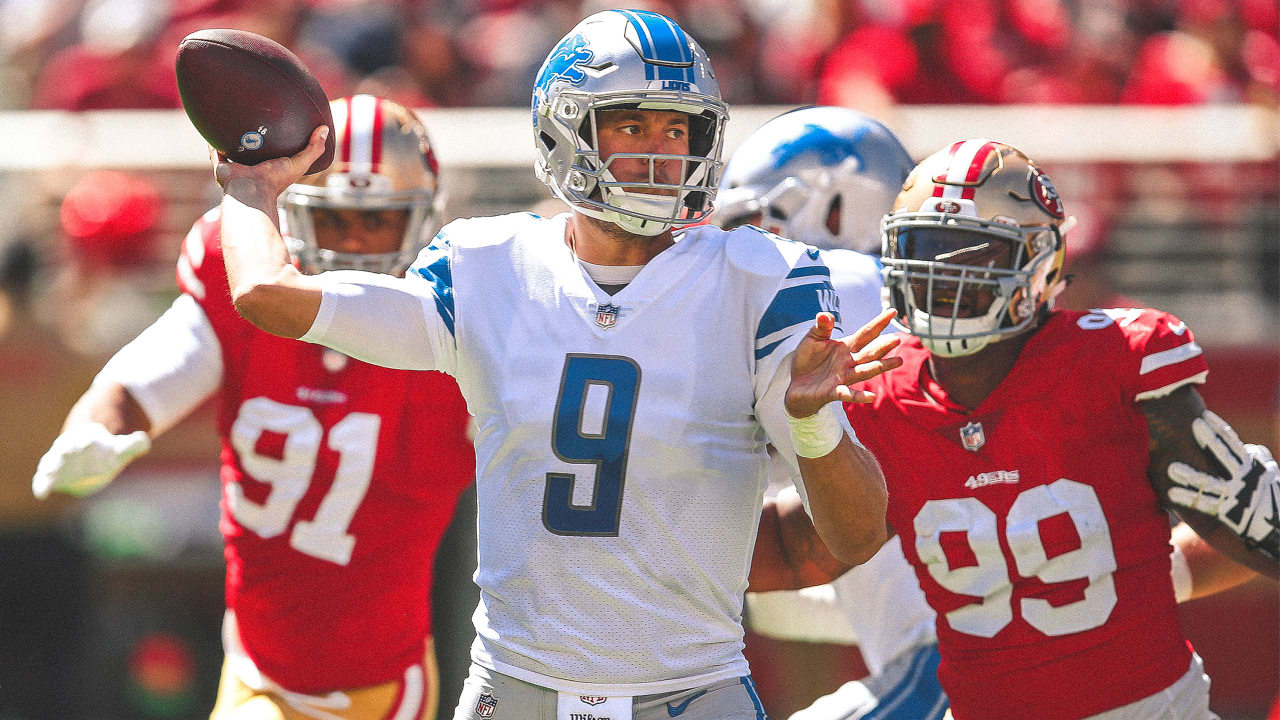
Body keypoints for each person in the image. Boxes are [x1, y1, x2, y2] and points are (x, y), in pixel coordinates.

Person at [209, 10, 901, 719]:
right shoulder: (486, 265)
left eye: (678, 128)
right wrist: (251, 188)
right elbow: (268, 294)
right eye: (633, 126)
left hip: (693, 692)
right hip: (513, 691)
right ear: (563, 131)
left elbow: (858, 535)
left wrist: (814, 428)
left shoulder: (763, 280)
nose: (663, 151)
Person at [752, 138, 1279, 719]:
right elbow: (806, 549)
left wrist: (1158, 570)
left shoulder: (1112, 361)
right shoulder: (883, 392)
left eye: (974, 253)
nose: (944, 274)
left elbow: (1247, 516)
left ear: (1038, 262)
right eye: (928, 248)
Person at [32, 94, 475, 720]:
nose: (352, 245)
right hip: (252, 664)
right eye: (333, 221)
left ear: (422, 220)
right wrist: (99, 426)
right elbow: (152, 374)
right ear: (294, 219)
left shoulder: (455, 327)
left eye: (375, 221)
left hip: (379, 686)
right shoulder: (239, 277)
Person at [714, 106, 948, 720]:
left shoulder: (834, 285)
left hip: (952, 665)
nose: (743, 249)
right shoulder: (921, 297)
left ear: (838, 206)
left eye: (760, 222)